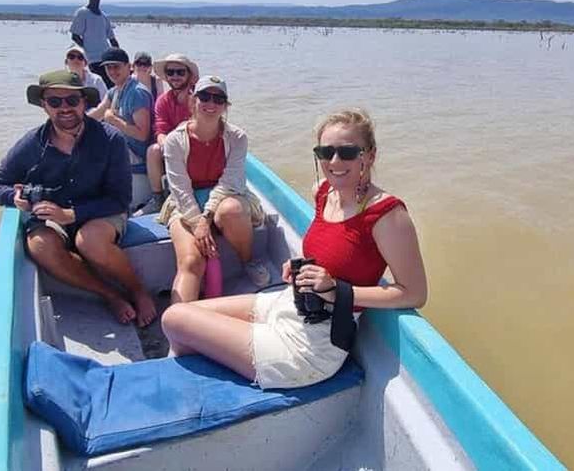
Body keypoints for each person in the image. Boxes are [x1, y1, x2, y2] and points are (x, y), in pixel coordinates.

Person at [160, 108, 428, 389]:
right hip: (290, 305)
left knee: (174, 318)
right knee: (187, 315)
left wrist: (337, 288)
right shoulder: (324, 192)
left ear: (369, 155)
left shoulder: (388, 216)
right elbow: (337, 250)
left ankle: (179, 392)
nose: (334, 161)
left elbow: (414, 293)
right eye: (325, 152)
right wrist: (301, 266)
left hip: (315, 344)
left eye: (348, 152)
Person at [0, 70, 157, 327]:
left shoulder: (110, 139)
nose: (64, 108)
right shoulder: (31, 143)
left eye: (72, 101)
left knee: (89, 241)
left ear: (84, 103)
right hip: (52, 216)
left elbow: (120, 200)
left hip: (101, 211)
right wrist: (14, 195)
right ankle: (110, 295)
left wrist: (71, 215)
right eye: (55, 101)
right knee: (39, 245)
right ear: (44, 105)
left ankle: (138, 291)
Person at [161, 75, 271, 304]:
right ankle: (176, 330)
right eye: (205, 96)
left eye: (218, 99)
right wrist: (195, 220)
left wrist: (206, 219)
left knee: (231, 210)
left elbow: (230, 182)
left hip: (225, 195)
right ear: (193, 99)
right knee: (191, 262)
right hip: (185, 201)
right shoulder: (174, 141)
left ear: (225, 105)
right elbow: (180, 189)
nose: (211, 104)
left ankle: (248, 260)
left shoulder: (237, 137)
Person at [134, 53, 198, 216]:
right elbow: (160, 130)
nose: (175, 76)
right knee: (153, 150)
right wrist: (166, 144)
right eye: (170, 72)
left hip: (196, 146)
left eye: (180, 72)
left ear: (189, 75)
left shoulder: (200, 99)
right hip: (171, 145)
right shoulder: (162, 100)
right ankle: (158, 198)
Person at [87, 48, 153, 177]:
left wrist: (114, 120)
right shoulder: (114, 91)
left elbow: (142, 135)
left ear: (129, 67)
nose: (112, 71)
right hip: (119, 149)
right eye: (108, 67)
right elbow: (98, 113)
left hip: (136, 157)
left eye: (116, 67)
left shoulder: (137, 93)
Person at [70, 0, 119, 88]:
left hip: (107, 59)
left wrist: (120, 57)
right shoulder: (82, 13)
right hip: (93, 60)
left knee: (112, 87)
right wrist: (87, 48)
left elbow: (112, 40)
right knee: (100, 87)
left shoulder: (103, 17)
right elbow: (75, 35)